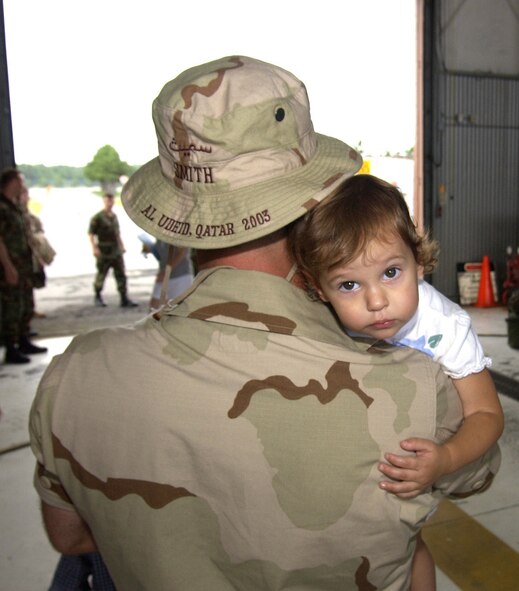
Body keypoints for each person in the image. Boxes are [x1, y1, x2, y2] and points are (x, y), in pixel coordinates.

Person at [29, 56, 500, 591]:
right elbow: (477, 468)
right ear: (315, 201)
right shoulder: (413, 385)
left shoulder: (75, 378)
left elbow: (71, 538)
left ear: (183, 218)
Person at [288, 173, 504, 589]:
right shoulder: (322, 322)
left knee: (405, 540)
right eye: (349, 284)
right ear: (318, 290)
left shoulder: (446, 326)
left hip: (416, 464)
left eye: (391, 273)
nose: (375, 301)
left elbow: (487, 414)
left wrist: (445, 458)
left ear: (418, 261)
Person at [0, 168, 47, 364]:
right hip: (10, 266)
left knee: (25, 304)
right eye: (21, 180)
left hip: (24, 265)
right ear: (12, 182)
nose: (23, 184)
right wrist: (8, 266)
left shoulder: (15, 206)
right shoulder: (2, 207)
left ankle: (23, 340)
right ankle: (11, 348)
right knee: (12, 307)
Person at [88, 192, 138, 308]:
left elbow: (117, 233)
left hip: (115, 249)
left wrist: (121, 245)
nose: (109, 203)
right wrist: (94, 248)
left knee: (121, 273)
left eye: (111, 200)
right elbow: (91, 234)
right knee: (102, 273)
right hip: (104, 249)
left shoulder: (114, 216)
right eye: (107, 201)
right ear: (104, 201)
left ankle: (124, 298)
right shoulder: (98, 217)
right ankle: (98, 296)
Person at [19, 187, 56, 317]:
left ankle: (29, 312)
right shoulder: (14, 215)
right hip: (19, 257)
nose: (27, 198)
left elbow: (37, 233)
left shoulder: (28, 216)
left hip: (27, 257)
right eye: (24, 195)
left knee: (28, 285)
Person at [148, 241, 194, 310]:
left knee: (177, 309)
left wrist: (166, 272)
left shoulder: (177, 233)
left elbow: (182, 253)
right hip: (164, 275)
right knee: (155, 307)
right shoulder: (159, 234)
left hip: (180, 276)